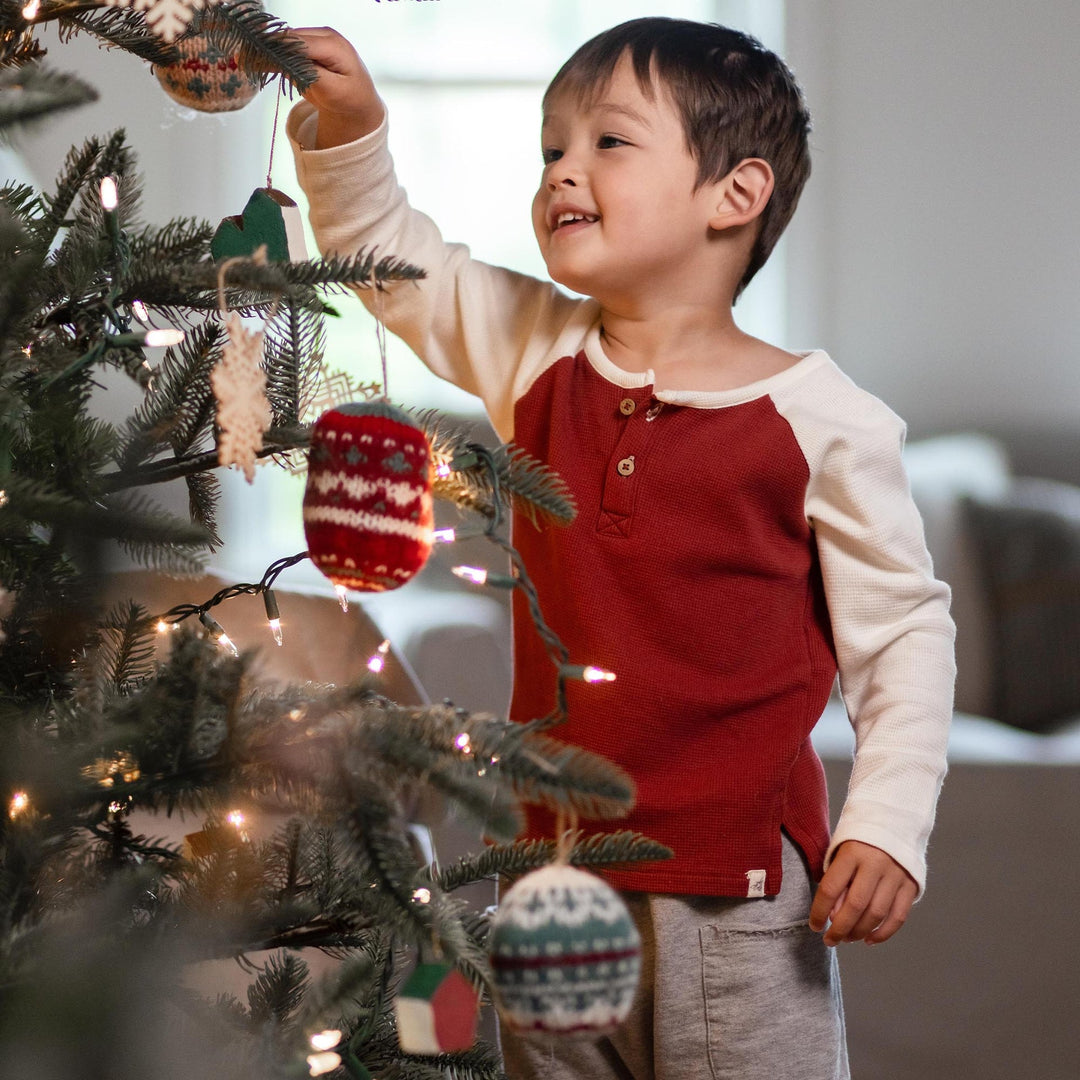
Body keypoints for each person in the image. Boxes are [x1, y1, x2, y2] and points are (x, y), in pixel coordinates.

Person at [286, 17, 956, 1080]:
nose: (562, 171)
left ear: (734, 196)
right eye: (551, 149)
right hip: (552, 877)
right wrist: (351, 132)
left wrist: (887, 825)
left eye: (608, 142)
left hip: (740, 895)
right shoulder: (537, 354)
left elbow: (906, 642)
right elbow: (393, 259)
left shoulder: (828, 420)